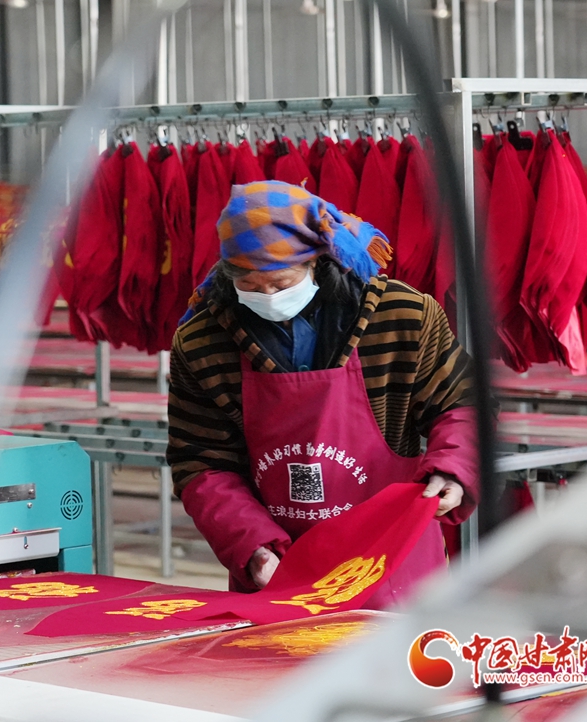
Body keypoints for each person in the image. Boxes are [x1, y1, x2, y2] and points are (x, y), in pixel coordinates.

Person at [167, 181, 478, 607]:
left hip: (393, 556)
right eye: (250, 286)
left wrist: (453, 470)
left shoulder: (402, 317)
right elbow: (201, 462)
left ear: (319, 260)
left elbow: (461, 403)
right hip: (279, 566)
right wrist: (252, 547)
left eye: (281, 283)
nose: (267, 297)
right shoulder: (203, 341)